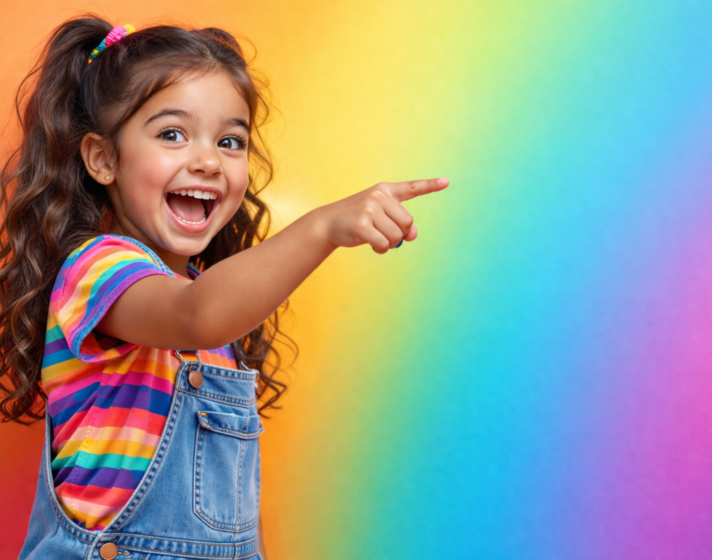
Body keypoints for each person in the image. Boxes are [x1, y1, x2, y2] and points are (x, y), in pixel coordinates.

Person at [0, 15, 449, 560]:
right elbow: (195, 314)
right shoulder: (98, 270)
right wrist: (323, 227)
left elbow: (227, 510)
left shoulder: (210, 302)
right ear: (103, 158)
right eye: (172, 134)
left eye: (230, 141)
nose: (208, 161)